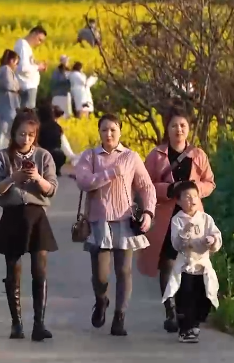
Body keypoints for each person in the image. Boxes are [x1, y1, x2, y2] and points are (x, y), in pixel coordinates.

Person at [73, 114, 157, 337]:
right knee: (100, 275)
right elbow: (83, 181)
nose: (109, 134)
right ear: (99, 132)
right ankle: (101, 300)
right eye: (104, 130)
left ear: (120, 131)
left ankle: (120, 316)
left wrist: (148, 213)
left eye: (113, 129)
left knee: (124, 270)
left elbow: (146, 187)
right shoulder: (90, 156)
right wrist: (111, 172)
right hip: (98, 222)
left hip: (124, 221)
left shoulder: (131, 157)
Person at [139, 103, 216, 333]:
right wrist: (168, 189)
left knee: (191, 265)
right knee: (167, 263)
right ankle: (170, 311)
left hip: (192, 217)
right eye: (174, 125)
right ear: (167, 128)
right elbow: (144, 184)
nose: (179, 130)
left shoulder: (197, 155)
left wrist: (195, 189)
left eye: (183, 125)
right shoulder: (157, 155)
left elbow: (210, 182)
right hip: (165, 217)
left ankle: (188, 311)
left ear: (188, 128)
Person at [0, 109, 58, 342]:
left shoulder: (44, 156)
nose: (26, 139)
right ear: (14, 133)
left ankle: (39, 324)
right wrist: (12, 179)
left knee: (40, 271)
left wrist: (37, 178)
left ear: (36, 135)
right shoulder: (2, 157)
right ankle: (16, 324)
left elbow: (52, 188)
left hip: (37, 216)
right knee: (13, 272)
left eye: (30, 135)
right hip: (12, 216)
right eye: (22, 134)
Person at [162, 181, 222, 344]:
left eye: (195, 196)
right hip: (185, 266)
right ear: (179, 201)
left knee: (203, 296)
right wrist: (184, 233)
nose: (192, 200)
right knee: (185, 297)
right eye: (187, 197)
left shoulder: (206, 218)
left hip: (202, 265)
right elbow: (176, 244)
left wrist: (212, 240)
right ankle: (185, 329)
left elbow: (216, 235)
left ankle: (195, 323)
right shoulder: (177, 220)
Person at [0, 50, 21, 154]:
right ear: (11, 61)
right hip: (7, 100)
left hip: (6, 100)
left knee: (5, 124)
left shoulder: (5, 70)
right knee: (6, 124)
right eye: (16, 63)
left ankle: (1, 147)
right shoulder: (6, 70)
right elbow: (9, 85)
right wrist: (17, 87)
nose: (16, 66)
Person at [36, 105, 77, 175]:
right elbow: (64, 145)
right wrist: (72, 156)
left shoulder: (38, 128)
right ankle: (56, 170)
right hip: (58, 156)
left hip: (44, 157)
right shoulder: (57, 127)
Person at [14, 26, 47, 109]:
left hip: (28, 87)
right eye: (39, 39)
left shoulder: (26, 47)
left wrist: (36, 64)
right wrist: (38, 67)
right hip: (27, 87)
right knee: (27, 114)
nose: (39, 43)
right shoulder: (23, 46)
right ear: (34, 34)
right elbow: (23, 68)